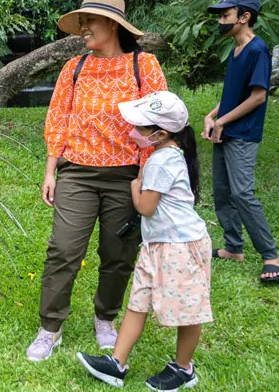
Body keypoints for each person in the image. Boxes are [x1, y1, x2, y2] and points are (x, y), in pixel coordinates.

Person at [26, 0, 168, 362]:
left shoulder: (145, 66)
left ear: (112, 24)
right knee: (63, 249)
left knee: (118, 253)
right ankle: (50, 328)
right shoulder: (74, 68)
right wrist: (50, 170)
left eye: (90, 21)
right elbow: (58, 119)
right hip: (77, 175)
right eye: (82, 22)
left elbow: (159, 122)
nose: (84, 28)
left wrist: (148, 176)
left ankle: (105, 318)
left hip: (127, 177)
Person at [77, 91, 211, 391]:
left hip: (180, 247)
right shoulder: (165, 154)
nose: (132, 132)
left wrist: (135, 186)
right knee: (137, 304)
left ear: (160, 134)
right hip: (157, 246)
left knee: (186, 311)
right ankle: (116, 364)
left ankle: (184, 369)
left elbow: (146, 208)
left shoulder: (161, 162)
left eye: (140, 128)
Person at [202, 0, 279, 282]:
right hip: (225, 130)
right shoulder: (235, 50)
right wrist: (212, 115)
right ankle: (234, 247)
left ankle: (270, 256)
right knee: (222, 192)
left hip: (243, 134)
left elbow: (258, 96)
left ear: (244, 17)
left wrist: (222, 120)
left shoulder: (257, 50)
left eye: (226, 15)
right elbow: (233, 94)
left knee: (242, 193)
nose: (221, 21)